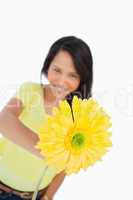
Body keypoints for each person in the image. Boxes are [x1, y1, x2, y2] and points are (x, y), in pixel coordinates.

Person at [0, 36, 93, 200]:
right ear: (47, 66)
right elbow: (4, 120)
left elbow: (64, 168)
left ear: (82, 79)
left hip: (32, 196)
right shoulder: (30, 91)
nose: (62, 81)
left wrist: (48, 196)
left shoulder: (78, 118)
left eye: (73, 75)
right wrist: (47, 151)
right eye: (57, 70)